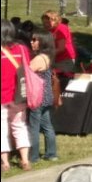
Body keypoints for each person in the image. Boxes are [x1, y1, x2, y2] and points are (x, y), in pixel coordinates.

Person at [1, 20, 32, 172]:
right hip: (19, 94)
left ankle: (5, 162)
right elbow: (27, 69)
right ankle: (25, 160)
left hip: (2, 95)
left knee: (1, 129)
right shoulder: (22, 48)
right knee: (20, 126)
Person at [27, 30, 58, 163]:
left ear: (42, 42)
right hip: (47, 96)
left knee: (34, 127)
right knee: (47, 126)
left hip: (37, 97)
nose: (31, 42)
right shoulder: (47, 56)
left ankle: (33, 157)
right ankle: (51, 154)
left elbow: (26, 73)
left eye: (34, 40)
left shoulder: (39, 59)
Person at [40, 10, 76, 82]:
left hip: (65, 60)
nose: (46, 24)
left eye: (48, 22)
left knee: (61, 81)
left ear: (56, 20)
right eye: (44, 22)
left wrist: (45, 55)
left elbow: (61, 48)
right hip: (54, 59)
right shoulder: (49, 30)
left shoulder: (61, 28)